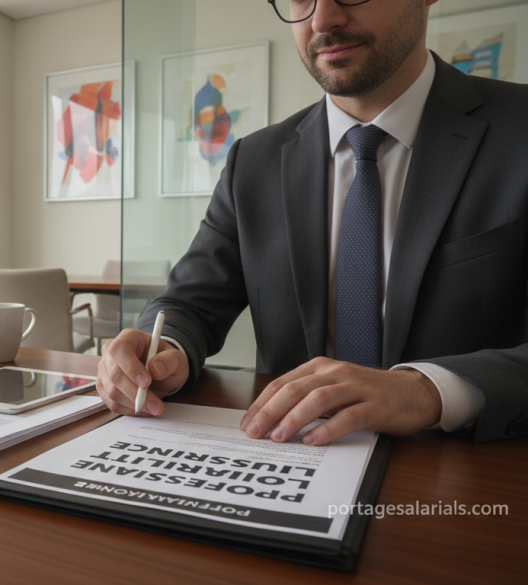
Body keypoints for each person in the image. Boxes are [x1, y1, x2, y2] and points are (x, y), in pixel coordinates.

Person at [97, 0, 528, 443]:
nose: (322, 20)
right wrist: (160, 349)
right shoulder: (253, 160)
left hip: (465, 470)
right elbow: (189, 304)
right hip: (287, 455)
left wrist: (426, 390)